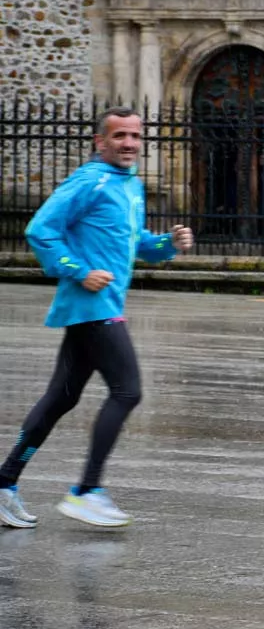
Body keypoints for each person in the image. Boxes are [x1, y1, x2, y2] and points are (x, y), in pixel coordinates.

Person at [0, 106, 194, 529]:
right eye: (119, 135)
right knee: (128, 391)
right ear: (99, 142)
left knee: (61, 398)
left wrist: (168, 243)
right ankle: (86, 491)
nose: (129, 143)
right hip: (94, 306)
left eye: (135, 136)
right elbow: (40, 229)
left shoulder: (130, 185)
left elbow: (135, 242)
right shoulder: (90, 180)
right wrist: (79, 270)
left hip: (102, 306)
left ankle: (4, 483)